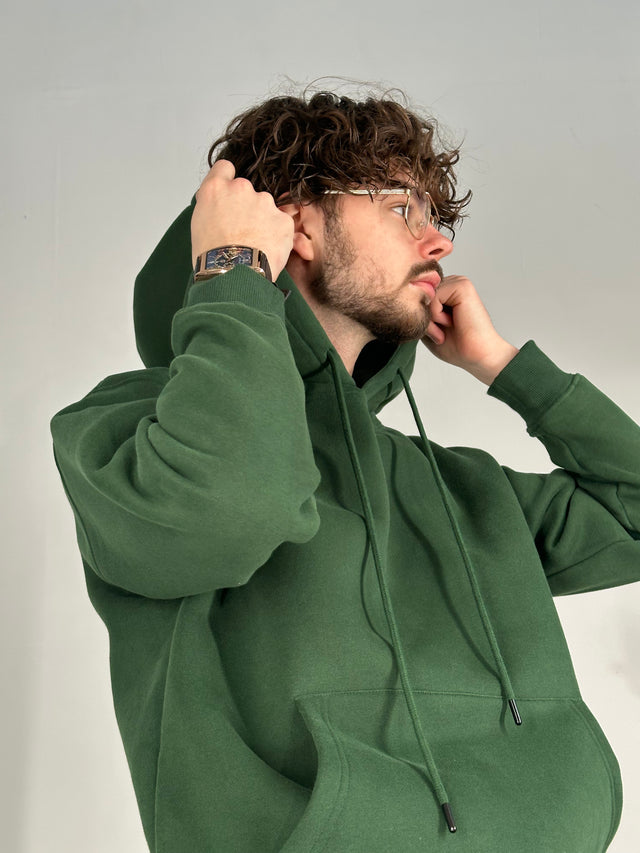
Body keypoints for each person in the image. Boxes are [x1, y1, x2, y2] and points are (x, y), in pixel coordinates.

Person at [50, 87, 640, 853]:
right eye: (401, 208)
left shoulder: (455, 487)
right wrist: (231, 270)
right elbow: (230, 507)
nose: (437, 244)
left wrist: (505, 367)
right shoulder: (135, 433)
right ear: (294, 221)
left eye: (435, 217)